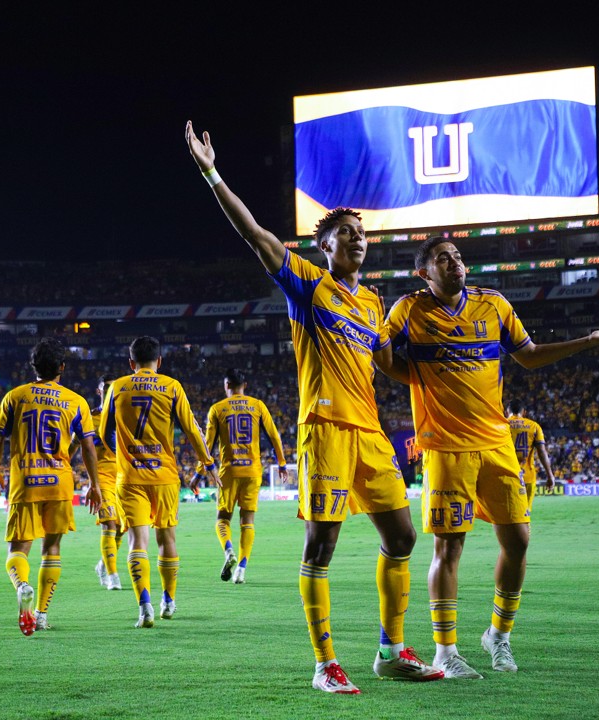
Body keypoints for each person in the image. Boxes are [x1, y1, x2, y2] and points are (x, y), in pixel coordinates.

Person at [187, 121, 443, 693]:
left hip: (370, 433)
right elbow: (254, 233)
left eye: (360, 233)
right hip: (324, 428)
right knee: (321, 546)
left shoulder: (375, 302)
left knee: (401, 538)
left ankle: (389, 650)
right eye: (345, 234)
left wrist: (436, 377)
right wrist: (211, 172)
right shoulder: (305, 282)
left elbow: (387, 363)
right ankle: (325, 662)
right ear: (323, 247)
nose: (356, 239)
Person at [381, 236, 599, 678]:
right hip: (446, 447)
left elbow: (531, 356)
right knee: (449, 546)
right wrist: (420, 380)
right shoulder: (408, 309)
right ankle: (446, 652)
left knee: (519, 540)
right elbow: (382, 357)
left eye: (458, 257)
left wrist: (589, 342)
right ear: (424, 273)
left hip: (497, 442)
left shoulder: (494, 304)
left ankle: (498, 635)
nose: (456, 263)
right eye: (444, 259)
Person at [101, 336, 220, 628]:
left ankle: (145, 607)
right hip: (165, 476)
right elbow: (192, 429)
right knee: (167, 539)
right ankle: (168, 600)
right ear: (159, 361)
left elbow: (104, 433)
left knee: (136, 542)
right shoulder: (172, 386)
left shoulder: (117, 387)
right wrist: (208, 464)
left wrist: (126, 453)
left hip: (129, 477)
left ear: (131, 363)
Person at [0, 338, 102, 636]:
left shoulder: (15, 396)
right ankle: (40, 614)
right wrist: (94, 483)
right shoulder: (76, 401)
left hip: (25, 481)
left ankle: (21, 586)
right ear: (62, 367)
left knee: (18, 549)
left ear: (33, 366)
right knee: (51, 548)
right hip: (59, 482)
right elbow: (89, 446)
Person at [204, 368, 288, 584]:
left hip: (229, 472)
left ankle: (228, 550)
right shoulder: (257, 405)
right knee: (247, 521)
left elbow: (208, 444)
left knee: (223, 519)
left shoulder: (217, 408)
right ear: (245, 385)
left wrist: (198, 472)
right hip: (252, 470)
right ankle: (241, 568)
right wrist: (281, 462)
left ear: (226, 385)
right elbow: (273, 435)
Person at [81, 375, 126, 591]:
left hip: (125, 479)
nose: (109, 391)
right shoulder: (91, 418)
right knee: (109, 524)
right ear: (99, 391)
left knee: (121, 528)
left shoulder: (126, 416)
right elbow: (76, 445)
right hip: (103, 480)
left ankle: (103, 564)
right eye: (106, 388)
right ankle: (112, 575)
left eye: (113, 388)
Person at [506, 404, 556, 510]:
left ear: (507, 412)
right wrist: (550, 475)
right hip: (527, 477)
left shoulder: (501, 425)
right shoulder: (534, 426)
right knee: (525, 514)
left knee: (506, 515)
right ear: (524, 412)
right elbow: (542, 452)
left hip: (505, 476)